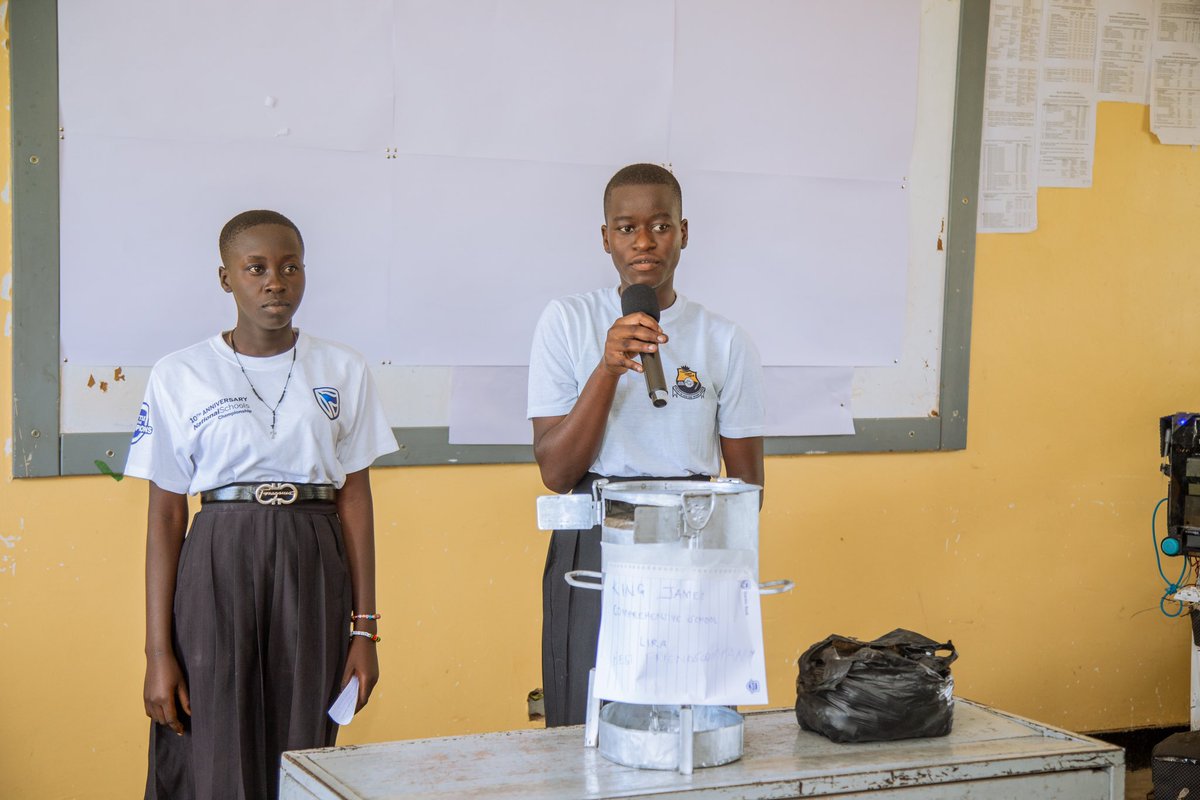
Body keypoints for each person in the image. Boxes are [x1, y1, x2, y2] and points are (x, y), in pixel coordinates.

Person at [125, 210, 399, 799]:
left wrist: (365, 631)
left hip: (313, 558)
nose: (275, 281)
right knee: (213, 738)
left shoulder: (343, 368)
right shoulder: (180, 374)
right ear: (226, 279)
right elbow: (167, 515)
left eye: (290, 266)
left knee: (301, 746)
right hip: (220, 557)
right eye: (256, 268)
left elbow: (356, 500)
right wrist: (156, 653)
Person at [527, 163, 766, 726]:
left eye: (660, 226)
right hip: (595, 532)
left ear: (684, 232)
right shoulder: (566, 321)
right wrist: (607, 370)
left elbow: (749, 493)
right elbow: (556, 470)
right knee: (589, 718)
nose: (643, 242)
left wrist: (706, 563)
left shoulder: (725, 339)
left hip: (693, 541)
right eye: (626, 227)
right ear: (605, 237)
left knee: (691, 723)